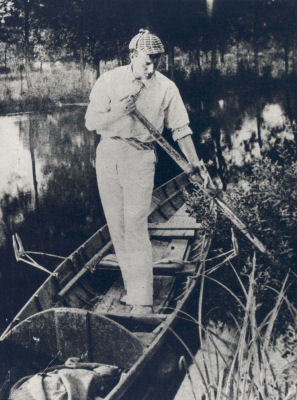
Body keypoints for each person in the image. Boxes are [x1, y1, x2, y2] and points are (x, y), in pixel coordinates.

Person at [85, 29, 202, 315]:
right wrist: (119, 113)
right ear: (133, 56)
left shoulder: (166, 87)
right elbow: (91, 122)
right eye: (147, 61)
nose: (152, 68)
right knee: (118, 226)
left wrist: (194, 163)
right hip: (109, 152)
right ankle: (131, 290)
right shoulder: (110, 80)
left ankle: (144, 299)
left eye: (156, 61)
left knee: (135, 223)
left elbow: (181, 129)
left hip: (140, 156)